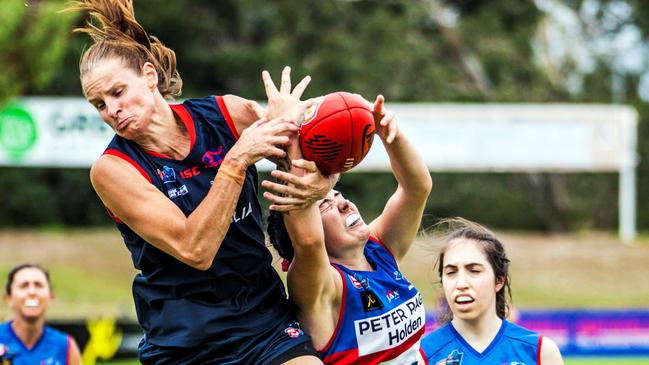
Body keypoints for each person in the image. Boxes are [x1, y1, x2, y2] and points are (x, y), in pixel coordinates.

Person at [69, 0, 322, 363]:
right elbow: (195, 250)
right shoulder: (113, 170)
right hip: (186, 346)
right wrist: (237, 159)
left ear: (150, 77)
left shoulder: (228, 114)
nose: (112, 111)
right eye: (99, 104)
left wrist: (318, 175)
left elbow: (304, 168)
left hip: (264, 324)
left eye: (118, 92)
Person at [263, 92, 433, 364]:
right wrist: (292, 132)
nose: (345, 204)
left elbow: (417, 189)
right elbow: (308, 242)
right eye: (325, 205)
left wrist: (387, 132)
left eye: (339, 195)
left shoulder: (379, 252)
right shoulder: (321, 286)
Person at [418, 218, 564, 365]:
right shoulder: (423, 355)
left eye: (474, 271)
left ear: (499, 280)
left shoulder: (540, 352)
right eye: (451, 272)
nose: (461, 283)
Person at [0, 263, 82, 365]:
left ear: (51, 297)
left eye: (38, 285)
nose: (32, 292)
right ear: (8, 298)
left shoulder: (65, 346)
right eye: (24, 286)